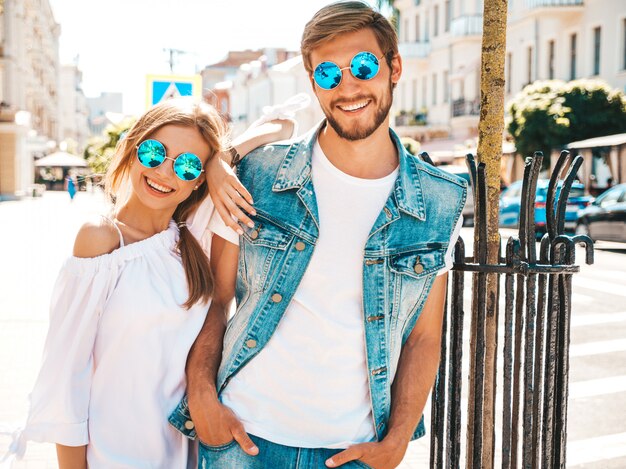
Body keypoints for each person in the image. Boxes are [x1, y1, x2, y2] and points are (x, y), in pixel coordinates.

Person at [170, 2, 467, 468]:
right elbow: (216, 298)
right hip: (244, 438)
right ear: (313, 84)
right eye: (328, 74)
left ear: (394, 68)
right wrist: (203, 395)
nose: (347, 87)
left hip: (355, 450)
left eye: (363, 67)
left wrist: (397, 441)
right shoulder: (257, 175)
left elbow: (425, 337)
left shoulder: (439, 200)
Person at [6, 97, 294, 469]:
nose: (165, 172)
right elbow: (66, 381)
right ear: (132, 148)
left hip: (180, 457)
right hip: (109, 458)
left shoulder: (192, 241)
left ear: (198, 182)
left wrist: (223, 160)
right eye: (156, 152)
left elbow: (285, 121)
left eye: (188, 165)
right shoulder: (102, 240)